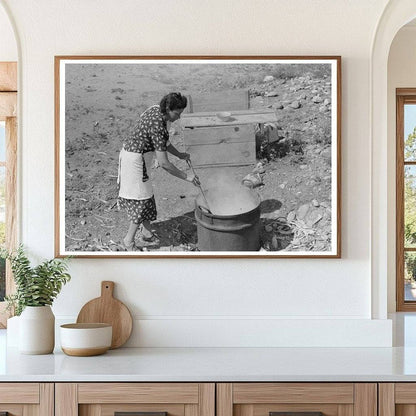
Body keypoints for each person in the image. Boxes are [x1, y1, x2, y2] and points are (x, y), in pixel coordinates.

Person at [117, 92, 200, 251]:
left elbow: (164, 143)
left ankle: (147, 233)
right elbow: (164, 163)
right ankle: (128, 241)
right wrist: (187, 177)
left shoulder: (156, 110)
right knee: (140, 200)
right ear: (168, 108)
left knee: (147, 195)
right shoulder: (157, 125)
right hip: (134, 161)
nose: (178, 118)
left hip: (138, 157)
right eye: (177, 114)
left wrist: (180, 155)